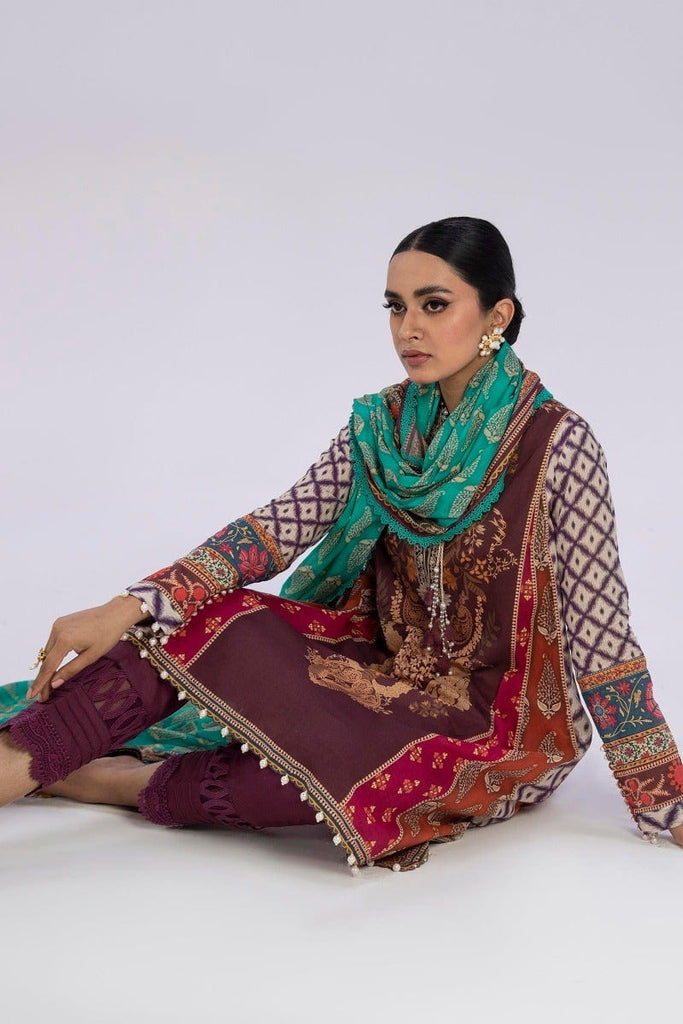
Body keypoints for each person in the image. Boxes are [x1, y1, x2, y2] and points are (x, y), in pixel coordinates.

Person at [2, 216, 682, 874]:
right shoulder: (380, 427)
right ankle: (26, 761)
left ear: (496, 315)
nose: (407, 328)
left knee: (348, 790)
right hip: (383, 673)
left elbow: (603, 639)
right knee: (201, 620)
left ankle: (101, 780)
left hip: (504, 729)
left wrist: (664, 798)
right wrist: (128, 606)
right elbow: (280, 527)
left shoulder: (558, 446)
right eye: (395, 306)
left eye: (434, 305)